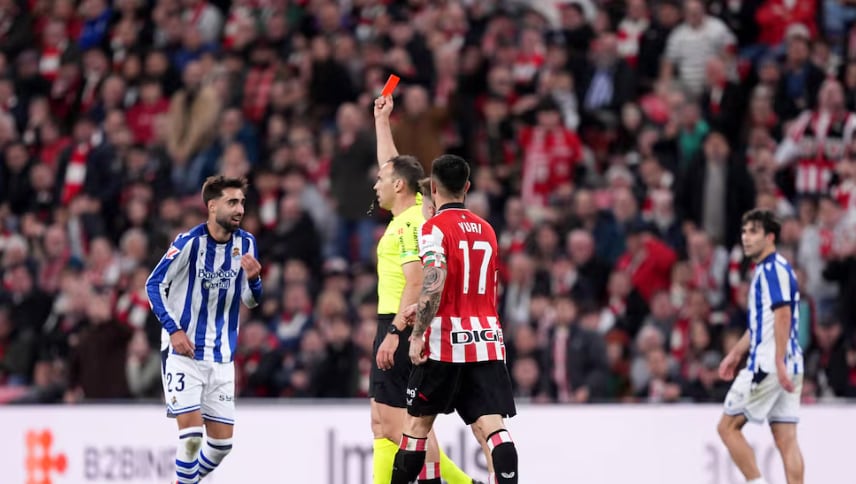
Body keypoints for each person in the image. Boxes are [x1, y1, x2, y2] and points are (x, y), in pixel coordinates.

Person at [391, 154, 519, 484]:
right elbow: (467, 287)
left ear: (433, 188)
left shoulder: (434, 228)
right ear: (467, 187)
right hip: (486, 340)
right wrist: (419, 307)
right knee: (492, 428)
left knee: (417, 428)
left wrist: (417, 333)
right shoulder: (488, 230)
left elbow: (436, 278)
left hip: (444, 341)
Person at [371, 95, 477, 484]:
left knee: (408, 426)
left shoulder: (413, 222)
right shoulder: (408, 209)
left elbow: (418, 281)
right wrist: (382, 122)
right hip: (391, 319)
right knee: (385, 423)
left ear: (398, 185)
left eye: (382, 180)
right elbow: (392, 166)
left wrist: (398, 331)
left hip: (401, 322)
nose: (376, 183)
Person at [145, 176, 262, 484]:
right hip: (184, 353)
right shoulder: (189, 242)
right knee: (192, 438)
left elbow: (250, 301)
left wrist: (254, 280)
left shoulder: (246, 244)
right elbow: (153, 284)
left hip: (222, 356)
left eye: (242, 203)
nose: (240, 209)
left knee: (222, 445)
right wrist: (174, 330)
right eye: (232, 202)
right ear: (212, 206)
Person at [717, 209, 805, 484]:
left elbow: (783, 315)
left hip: (767, 364)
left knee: (727, 428)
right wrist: (735, 352)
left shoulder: (772, 270)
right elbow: (762, 323)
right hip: (788, 363)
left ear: (770, 237)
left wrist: (777, 361)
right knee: (786, 438)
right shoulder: (773, 269)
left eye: (753, 232)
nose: (746, 238)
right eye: (744, 232)